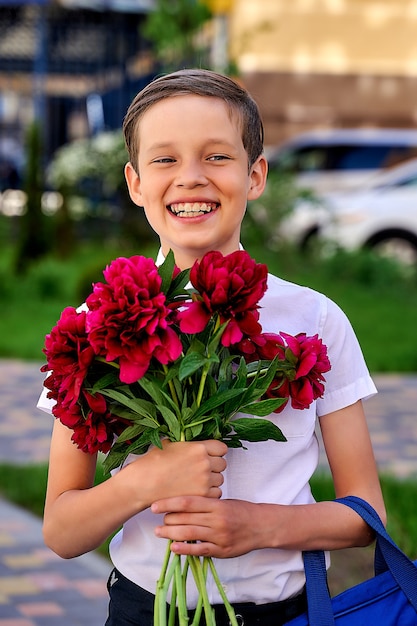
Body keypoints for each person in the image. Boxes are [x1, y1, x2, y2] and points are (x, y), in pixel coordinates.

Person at [39, 68, 386, 626]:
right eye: (165, 159)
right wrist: (144, 480)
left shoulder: (316, 318)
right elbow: (61, 530)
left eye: (217, 157)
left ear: (255, 176)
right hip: (142, 611)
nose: (191, 178)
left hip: (283, 613)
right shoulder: (95, 326)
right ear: (134, 183)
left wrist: (257, 526)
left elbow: (367, 514)